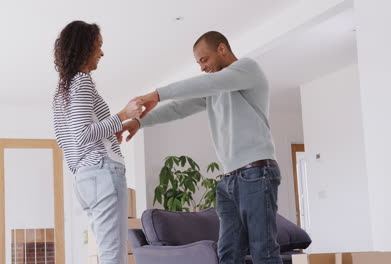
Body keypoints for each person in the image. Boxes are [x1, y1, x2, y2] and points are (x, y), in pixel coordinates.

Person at [118, 31, 283, 264]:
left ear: (222, 49)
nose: (202, 68)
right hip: (229, 180)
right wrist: (138, 121)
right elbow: (178, 108)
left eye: (204, 60)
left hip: (256, 172)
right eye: (199, 63)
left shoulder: (247, 69)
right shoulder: (214, 90)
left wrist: (155, 94)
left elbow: (209, 82)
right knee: (228, 253)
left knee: (263, 249)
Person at [53, 20, 143, 264]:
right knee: (113, 255)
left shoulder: (61, 93)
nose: (102, 53)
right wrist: (122, 115)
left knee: (108, 253)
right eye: (98, 46)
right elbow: (82, 134)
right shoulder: (81, 82)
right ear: (84, 48)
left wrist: (113, 131)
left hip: (85, 177)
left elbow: (69, 139)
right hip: (103, 173)